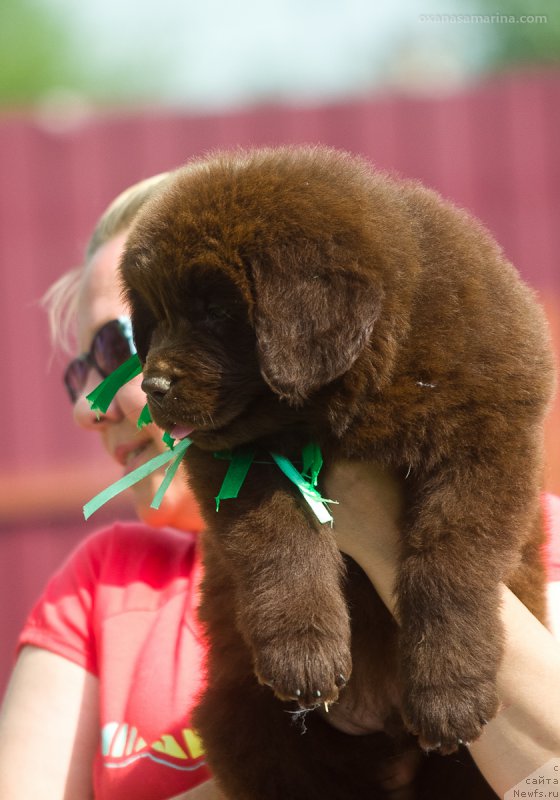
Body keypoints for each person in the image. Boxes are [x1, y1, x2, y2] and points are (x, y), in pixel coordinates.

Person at [0, 171, 558, 800]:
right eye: (80, 371)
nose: (87, 407)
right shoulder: (104, 584)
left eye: (113, 346)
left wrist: (376, 539)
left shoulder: (538, 536)